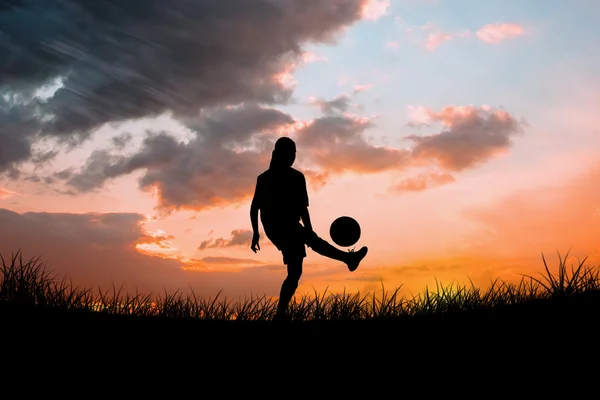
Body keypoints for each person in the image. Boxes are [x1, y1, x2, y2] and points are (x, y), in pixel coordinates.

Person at [250, 136, 368, 321]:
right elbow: (255, 206)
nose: (292, 156)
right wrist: (256, 233)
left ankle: (280, 314)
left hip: (292, 226)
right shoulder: (264, 179)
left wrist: (310, 229)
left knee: (295, 273)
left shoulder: (297, 177)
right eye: (289, 153)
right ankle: (348, 258)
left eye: (294, 153)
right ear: (277, 154)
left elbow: (301, 208)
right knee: (308, 242)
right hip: (275, 226)